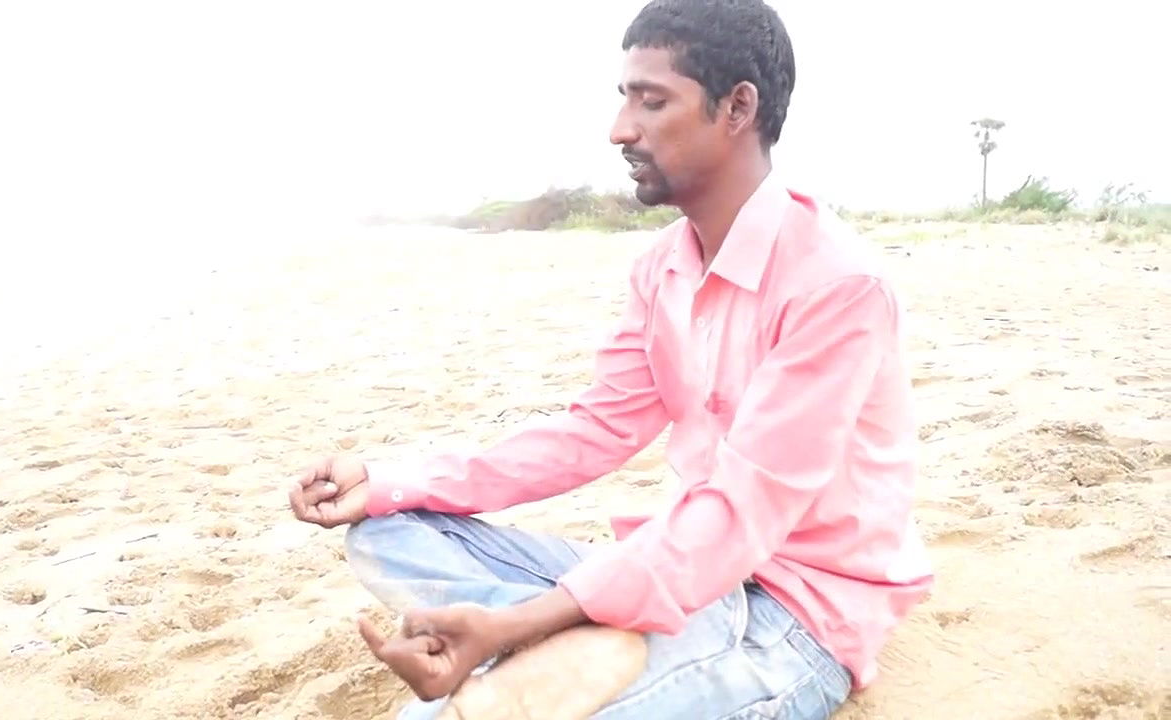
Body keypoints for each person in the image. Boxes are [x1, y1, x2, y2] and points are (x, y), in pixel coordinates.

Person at [288, 0, 934, 717]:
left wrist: (514, 622)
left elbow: (746, 510)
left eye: (651, 101)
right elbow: (593, 431)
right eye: (624, 99)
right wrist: (386, 479)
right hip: (668, 569)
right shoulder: (663, 267)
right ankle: (575, 642)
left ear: (737, 108)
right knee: (390, 531)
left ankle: (545, 647)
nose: (620, 129)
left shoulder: (837, 285)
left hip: (792, 613)